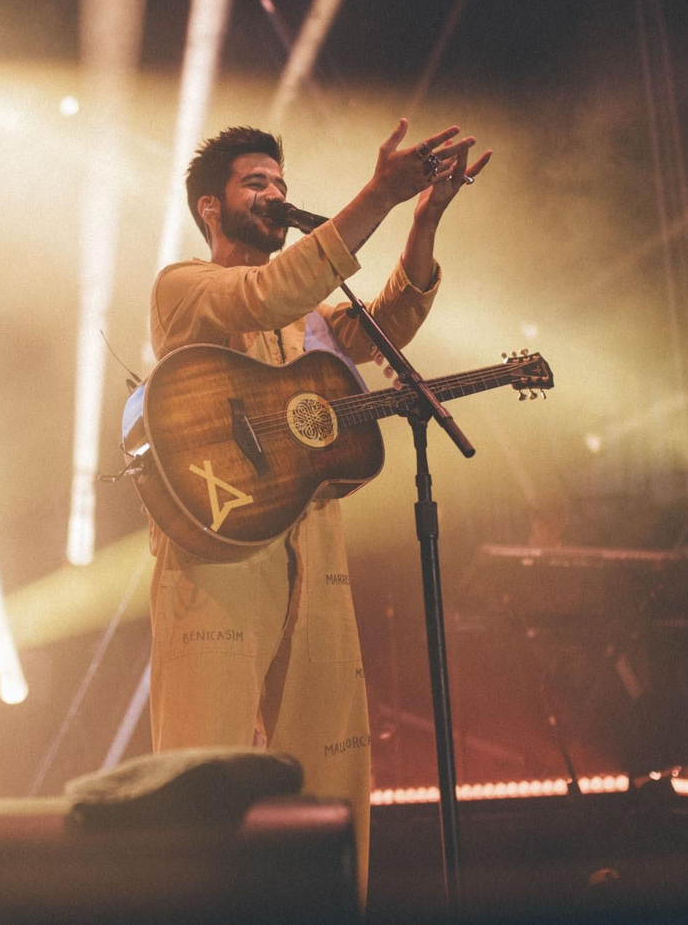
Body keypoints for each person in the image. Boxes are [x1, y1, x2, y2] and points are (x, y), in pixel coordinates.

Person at [145, 119, 490, 900]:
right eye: (254, 184)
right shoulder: (183, 289)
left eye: (279, 182)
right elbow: (269, 287)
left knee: (332, 775)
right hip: (218, 555)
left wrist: (422, 219)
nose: (275, 194)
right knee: (206, 775)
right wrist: (376, 192)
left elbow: (390, 320)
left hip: (315, 548)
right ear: (210, 207)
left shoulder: (303, 321)